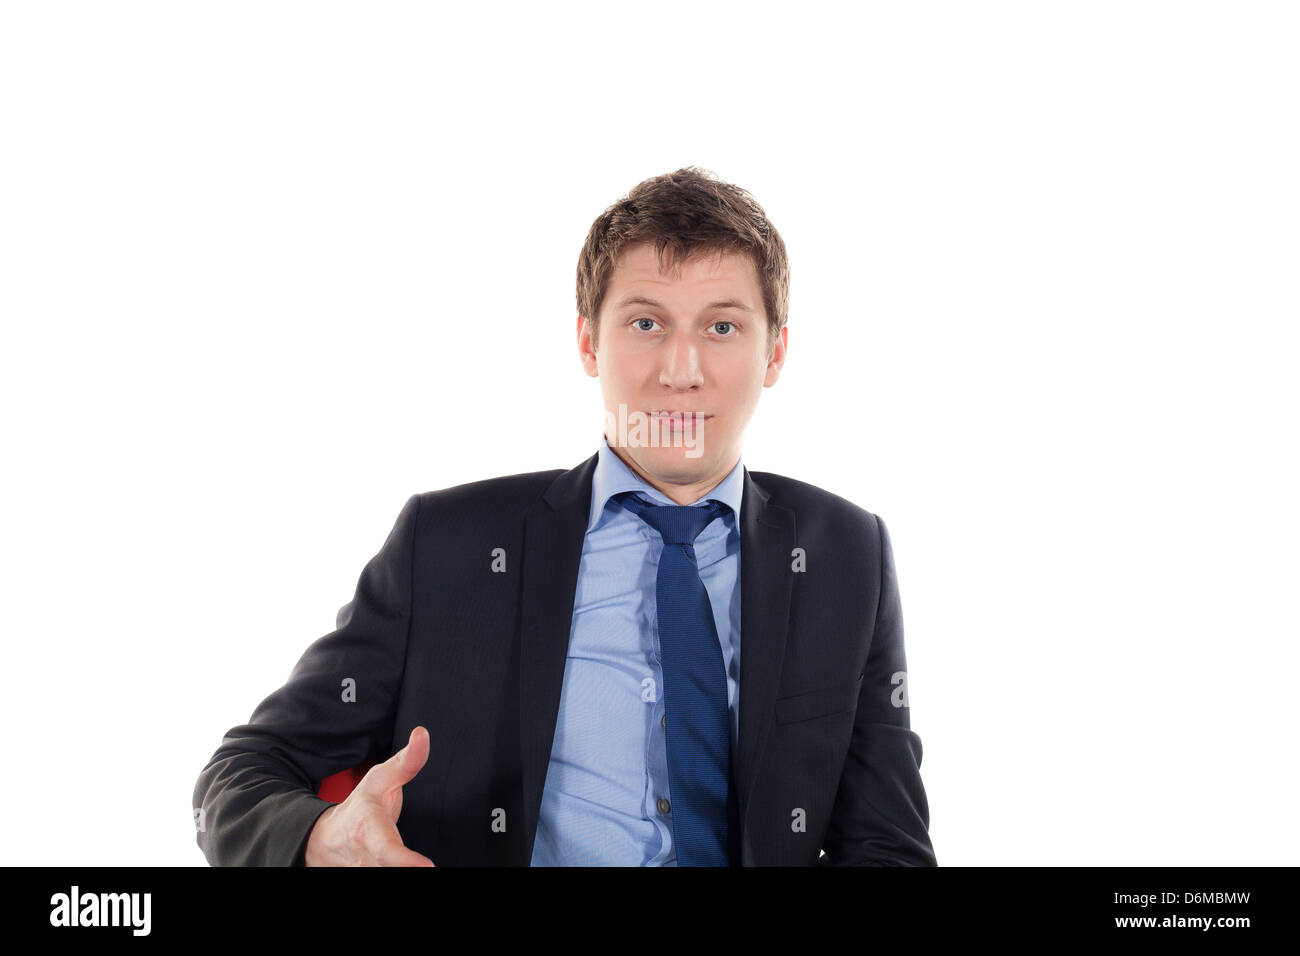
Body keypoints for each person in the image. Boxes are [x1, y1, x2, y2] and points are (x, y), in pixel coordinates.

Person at [192, 166, 937, 866]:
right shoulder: (448, 545)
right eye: (646, 324)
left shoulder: (847, 553)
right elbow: (243, 773)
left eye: (722, 328)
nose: (681, 371)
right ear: (589, 340)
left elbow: (888, 843)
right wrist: (319, 837)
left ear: (775, 353)